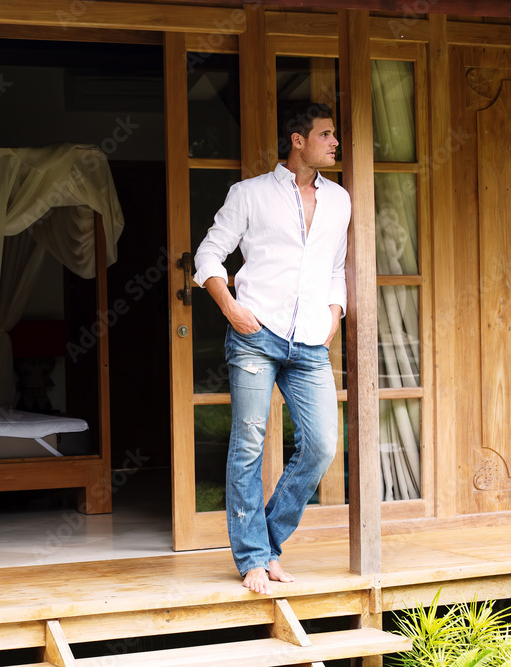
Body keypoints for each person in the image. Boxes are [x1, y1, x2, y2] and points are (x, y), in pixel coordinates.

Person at [193, 102, 351, 595]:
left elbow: (335, 267)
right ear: (298, 140)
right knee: (248, 446)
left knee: (322, 445)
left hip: (311, 340)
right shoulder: (250, 194)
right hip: (255, 335)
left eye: (335, 135)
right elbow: (208, 253)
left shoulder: (339, 199)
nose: (335, 142)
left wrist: (335, 312)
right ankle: (253, 560)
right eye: (326, 134)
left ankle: (268, 543)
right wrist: (230, 307)